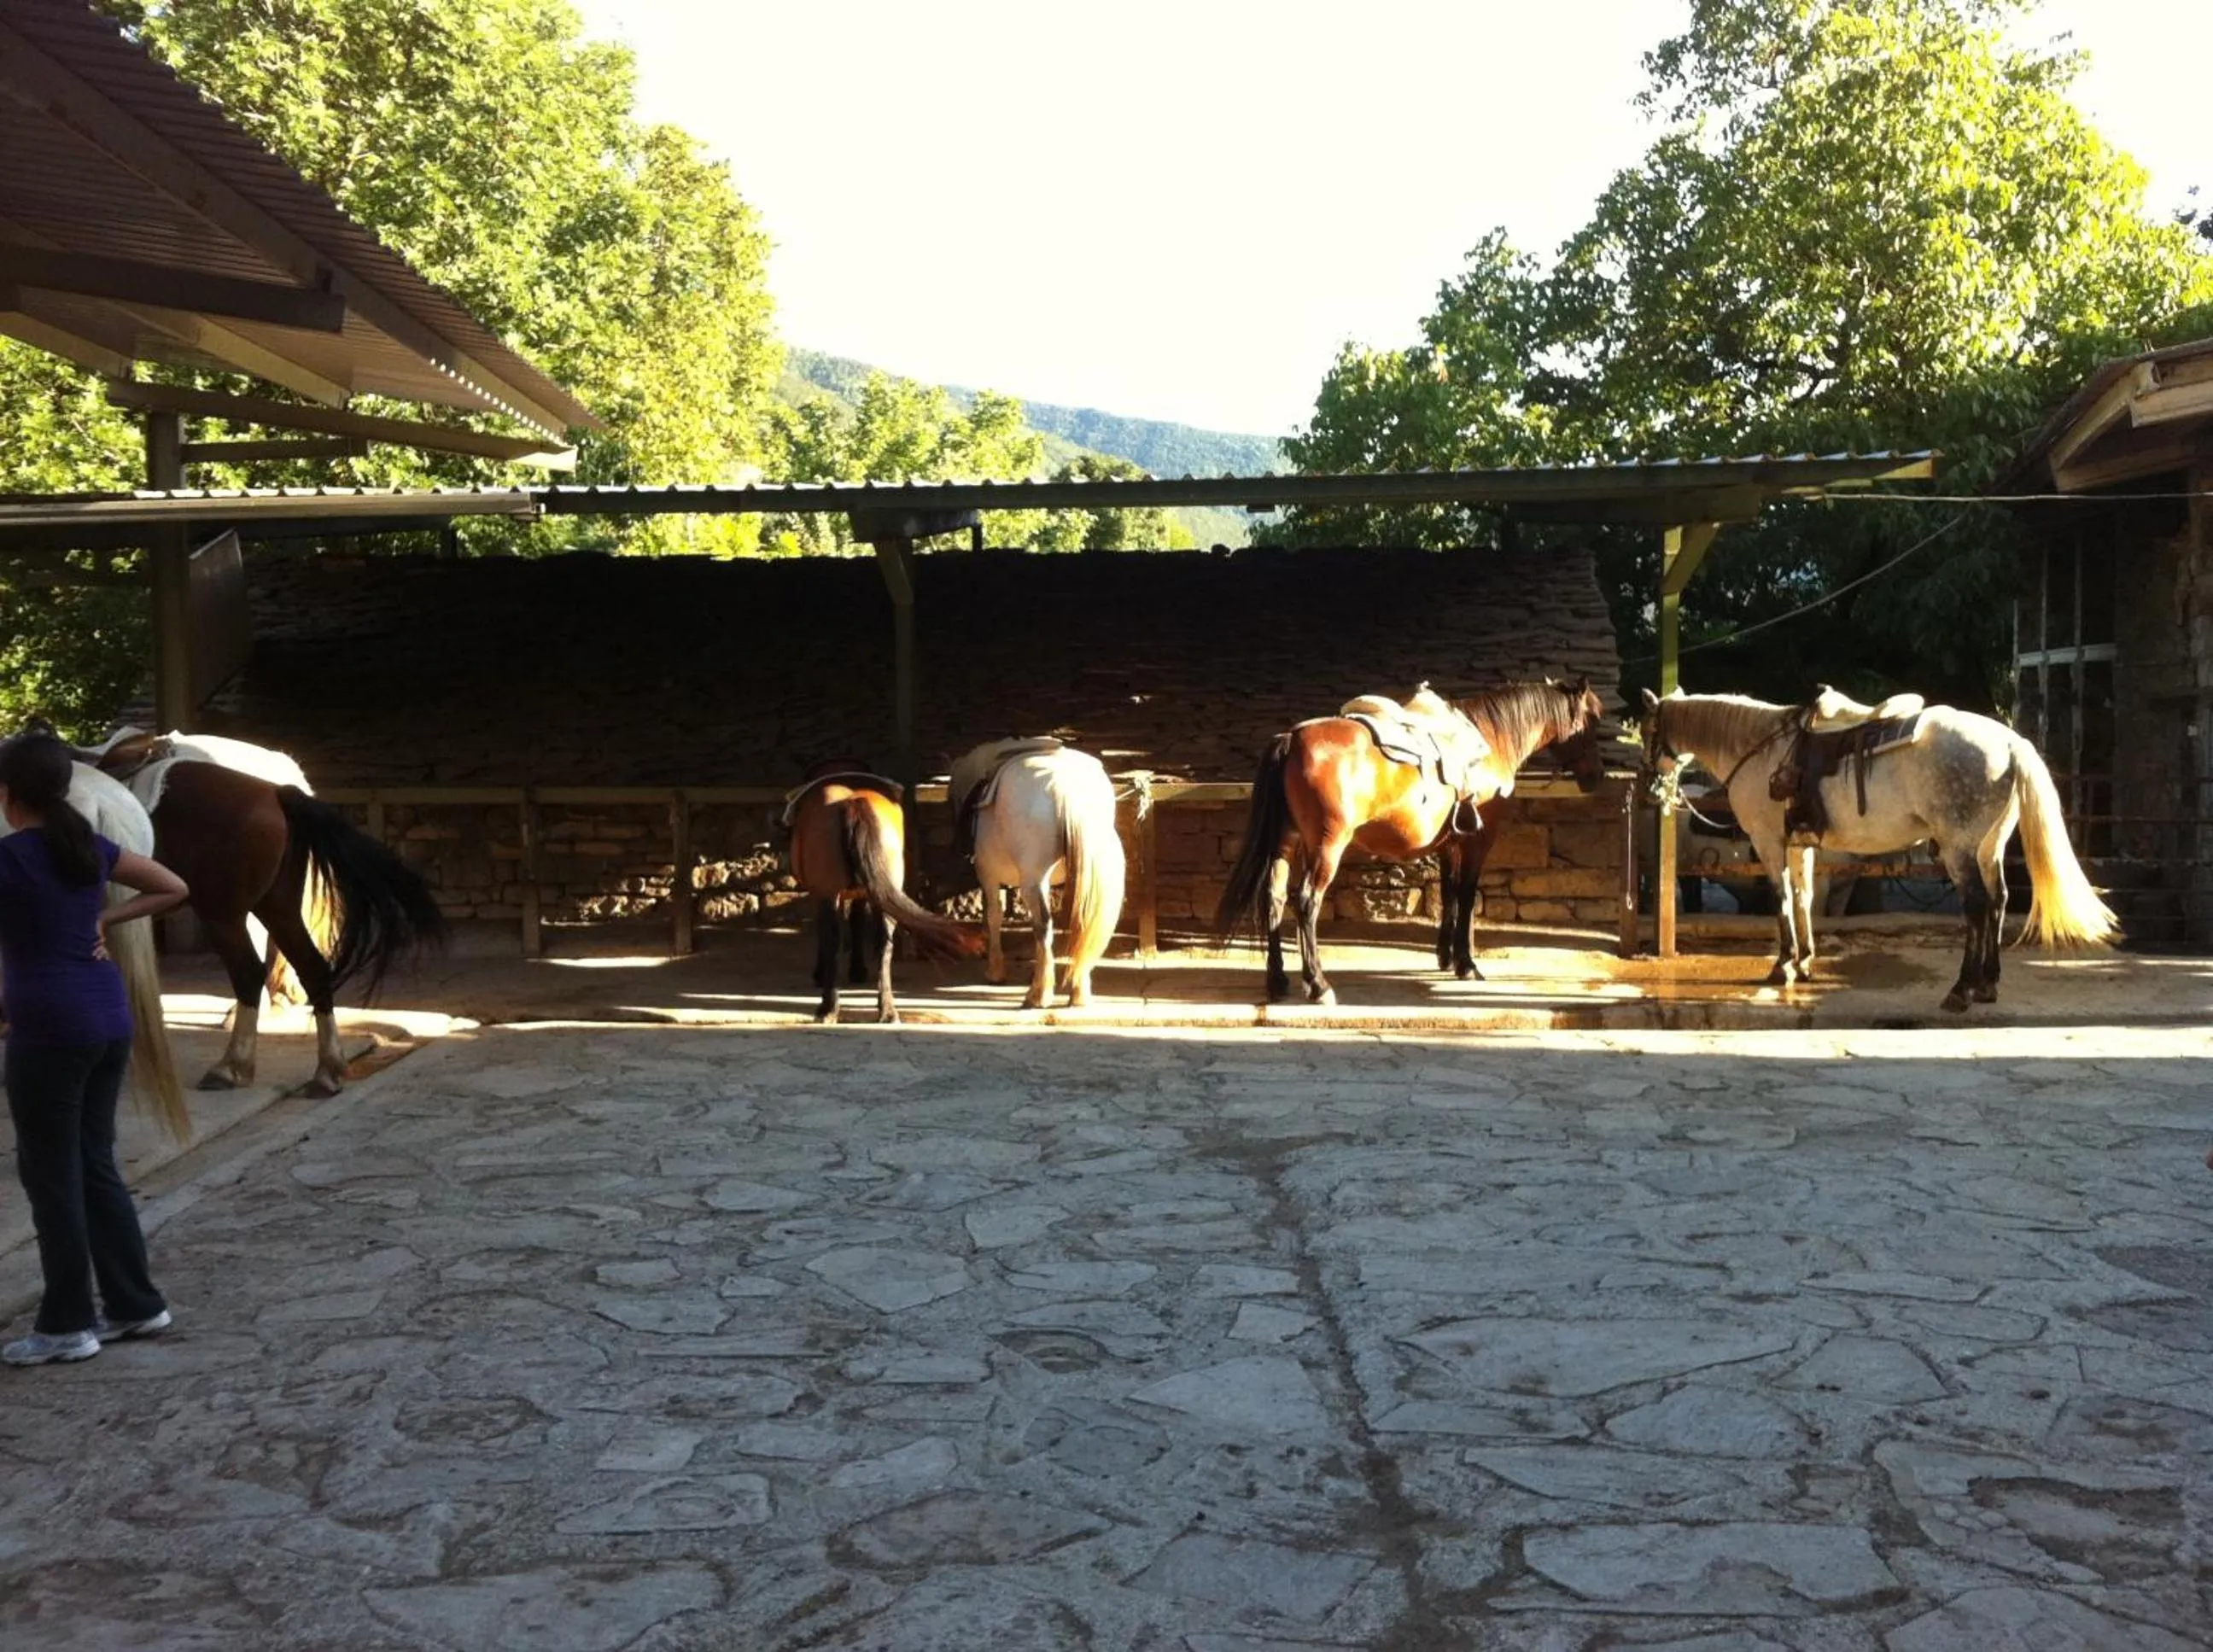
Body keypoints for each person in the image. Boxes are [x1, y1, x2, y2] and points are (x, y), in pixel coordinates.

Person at [0, 732, 190, 1367]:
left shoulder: (9, 860)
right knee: (95, 1162)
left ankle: (66, 1323)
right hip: (109, 1019)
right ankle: (137, 1303)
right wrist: (104, 921)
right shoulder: (89, 847)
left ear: (7, 795)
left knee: (51, 1177)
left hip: (48, 1032)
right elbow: (173, 887)